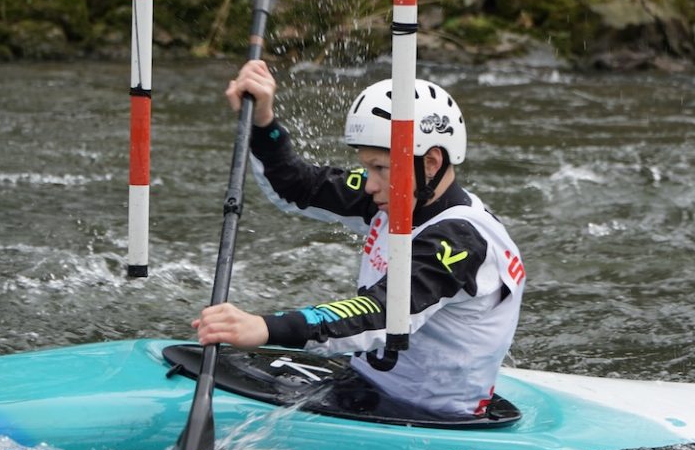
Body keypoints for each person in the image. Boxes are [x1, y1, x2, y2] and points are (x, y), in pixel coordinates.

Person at [192, 60, 525, 418]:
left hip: (428, 416)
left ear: (430, 162)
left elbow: (385, 313)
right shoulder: (398, 195)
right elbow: (297, 184)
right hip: (365, 387)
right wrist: (263, 122)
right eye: (366, 166)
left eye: (380, 167)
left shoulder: (460, 241)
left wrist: (266, 327)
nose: (369, 184)